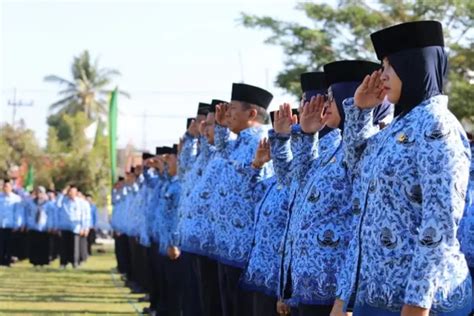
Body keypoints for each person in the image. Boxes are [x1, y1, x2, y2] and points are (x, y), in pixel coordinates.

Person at [332, 20, 472, 316]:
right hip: (378, 296)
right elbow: (356, 176)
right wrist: (360, 112)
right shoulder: (396, 128)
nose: (380, 76)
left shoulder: (437, 125)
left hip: (422, 304)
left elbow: (440, 221)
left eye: (387, 67)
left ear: (412, 66)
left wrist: (417, 305)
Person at [211, 83, 274, 316]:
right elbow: (223, 152)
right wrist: (219, 126)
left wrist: (254, 166)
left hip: (244, 245)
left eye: (233, 108)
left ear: (252, 113)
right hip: (228, 242)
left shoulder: (263, 141)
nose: (228, 113)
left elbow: (259, 187)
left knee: (242, 308)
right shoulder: (239, 141)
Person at [57, 185, 90, 268]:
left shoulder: (81, 202)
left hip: (75, 227)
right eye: (69, 191)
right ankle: (63, 263)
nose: (71, 193)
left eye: (73, 192)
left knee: (75, 246)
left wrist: (85, 227)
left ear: (76, 192)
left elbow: (85, 216)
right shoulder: (64, 201)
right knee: (64, 246)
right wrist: (62, 194)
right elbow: (57, 205)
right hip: (64, 226)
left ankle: (75, 262)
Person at [25, 186, 56, 267]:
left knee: (44, 245)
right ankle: (34, 261)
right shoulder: (31, 203)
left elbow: (50, 215)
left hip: (44, 227)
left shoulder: (48, 204)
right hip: (33, 226)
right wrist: (27, 223)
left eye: (41, 192)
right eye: (38, 192)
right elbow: (27, 214)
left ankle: (44, 261)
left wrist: (50, 226)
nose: (39, 194)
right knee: (34, 245)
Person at [0, 179, 24, 266]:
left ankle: (8, 260)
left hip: (11, 224)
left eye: (7, 186)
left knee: (10, 244)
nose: (5, 188)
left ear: (11, 187)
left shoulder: (16, 198)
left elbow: (18, 213)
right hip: (1, 224)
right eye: (4, 186)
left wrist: (17, 224)